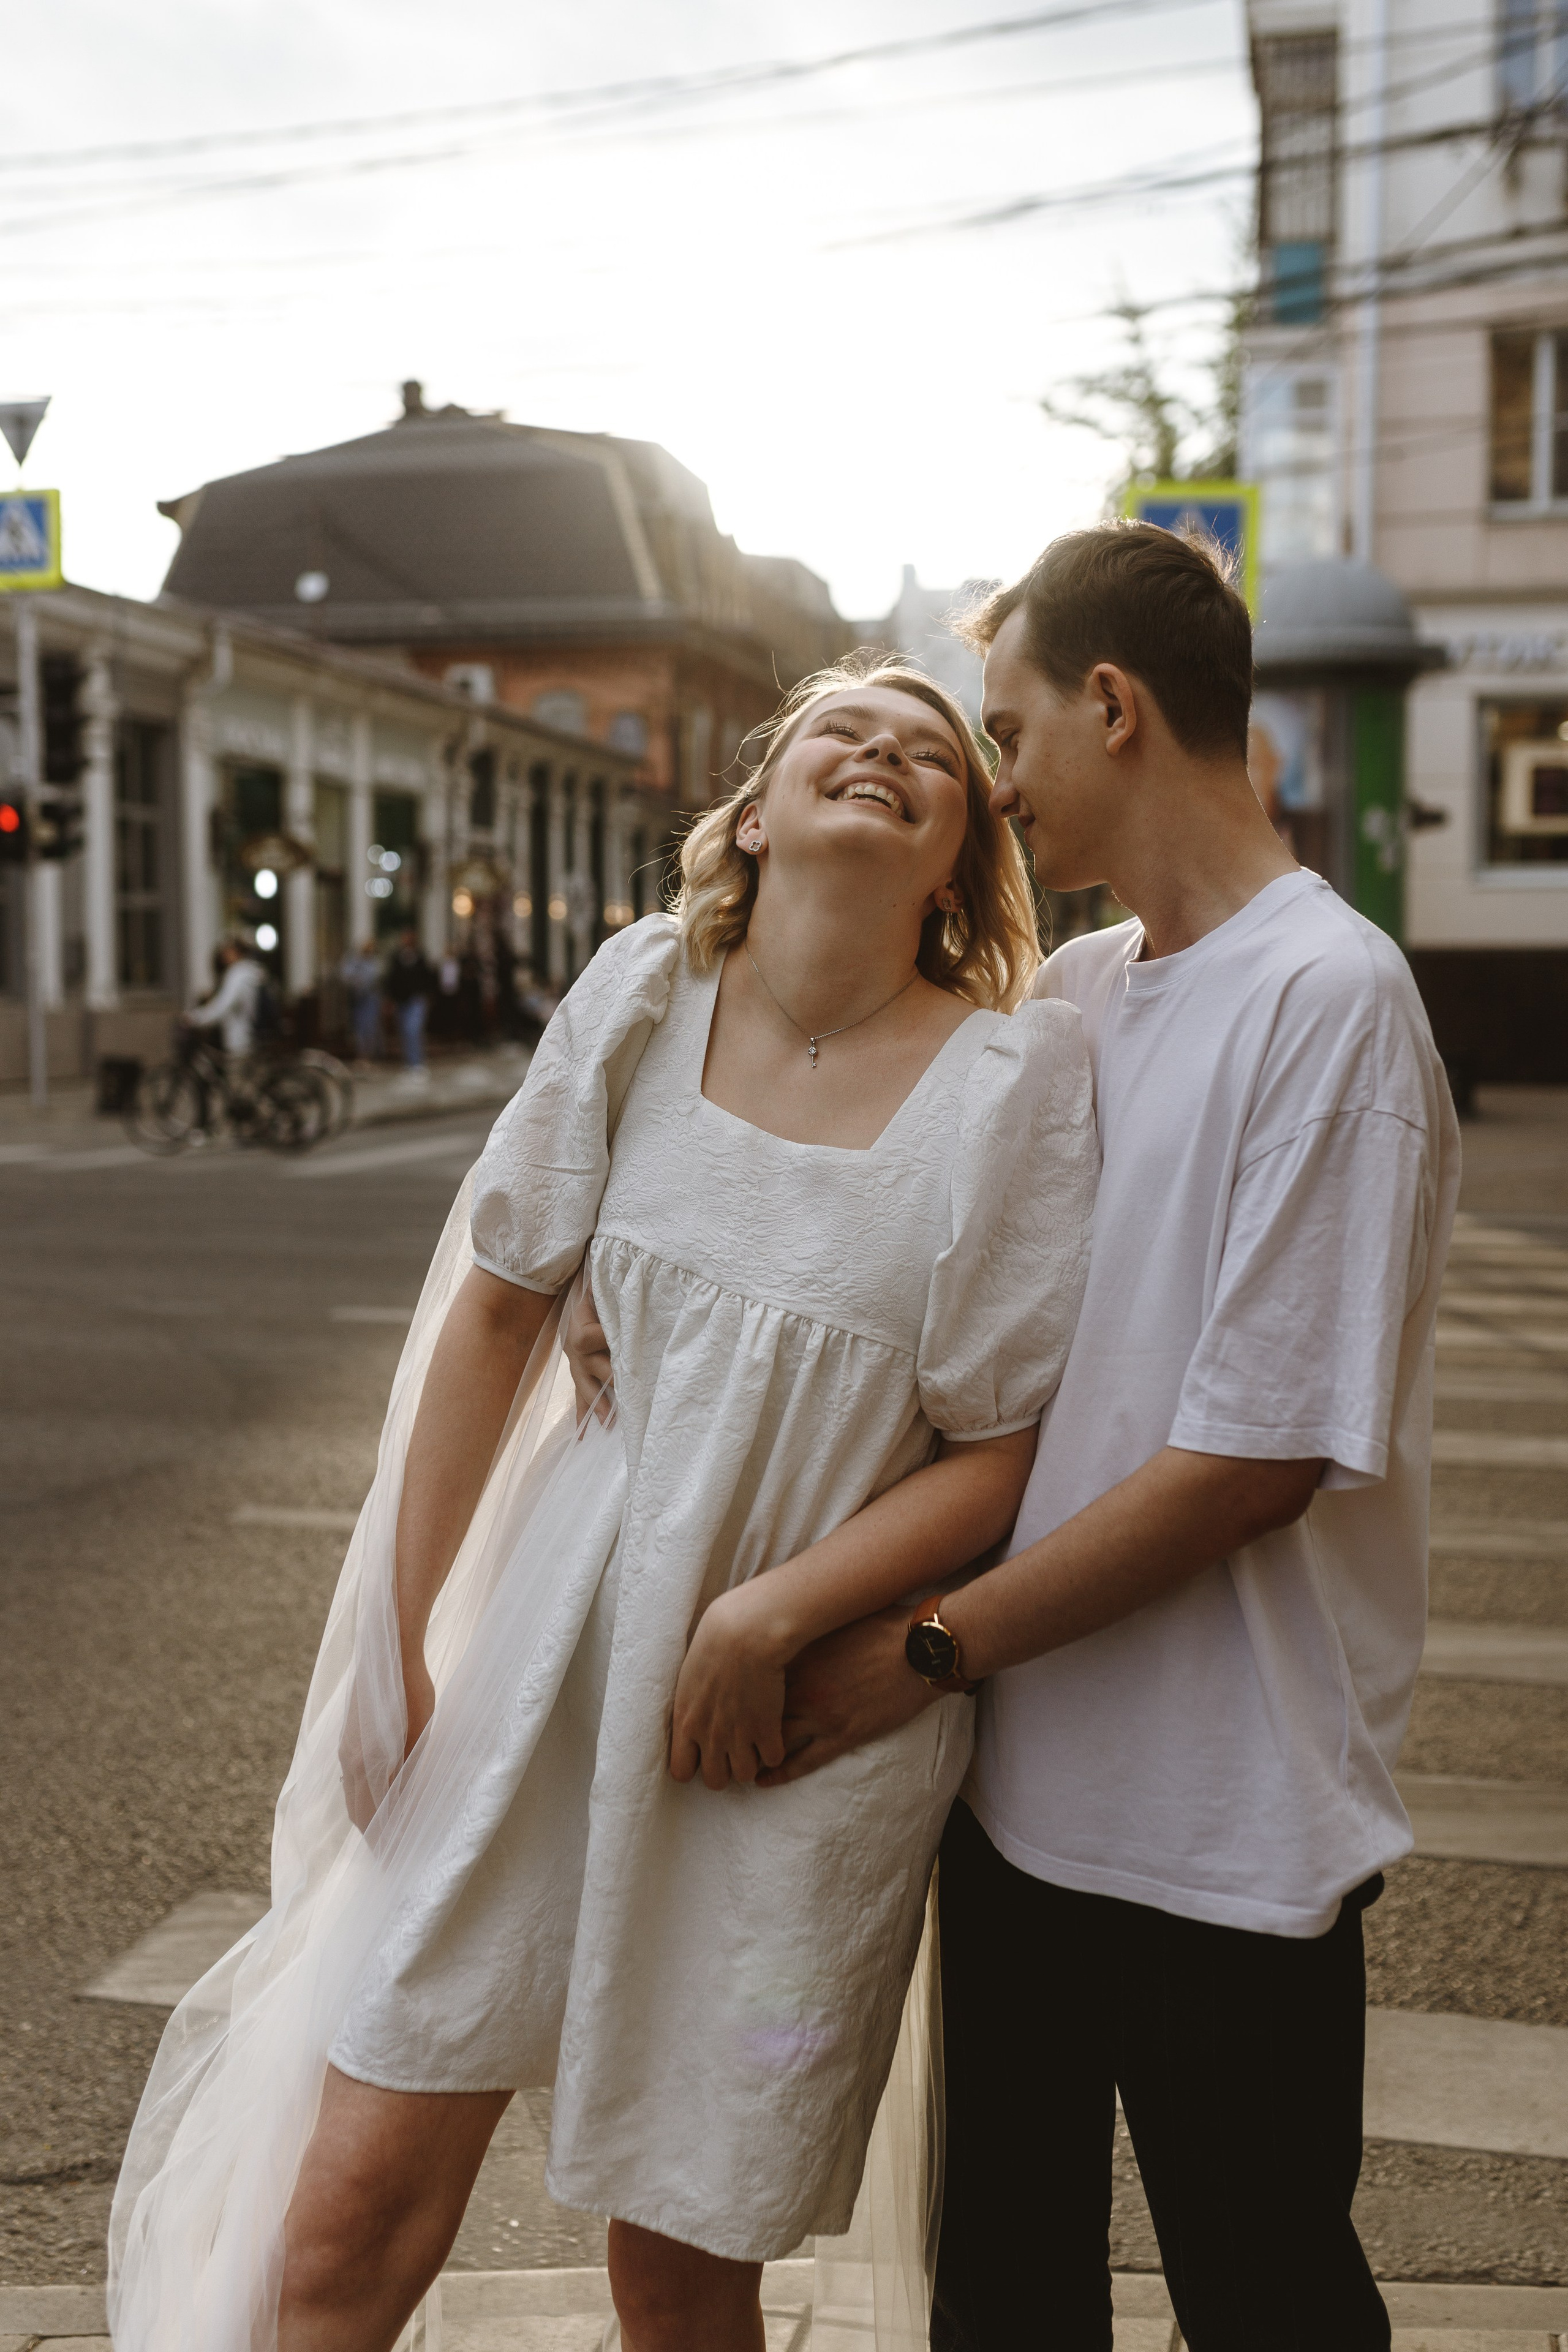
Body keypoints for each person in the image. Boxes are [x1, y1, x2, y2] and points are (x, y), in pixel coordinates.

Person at [108, 654, 1098, 2352]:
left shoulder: (1013, 1088)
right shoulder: (645, 994)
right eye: (839, 732)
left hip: (786, 1735)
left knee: (682, 2268)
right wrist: (401, 1649)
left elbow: (997, 1456)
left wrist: (766, 1615)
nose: (881, 751)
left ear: (960, 855)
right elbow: (497, 1310)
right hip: (546, 1668)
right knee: (346, 2218)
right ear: (758, 808)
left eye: (931, 750)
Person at [735, 526, 1459, 2352]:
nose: (992, 780)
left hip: (1226, 1824)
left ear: (1112, 707)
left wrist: (925, 1644)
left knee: (1266, 2295)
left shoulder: (1329, 997)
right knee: (1002, 2300)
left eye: (1009, 725)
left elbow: (1253, 1458)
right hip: (1018, 1801)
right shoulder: (1075, 993)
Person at [184, 936, 271, 1057]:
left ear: (237, 951)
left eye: (228, 950)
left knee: (236, 1073)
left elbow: (223, 1005)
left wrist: (195, 1019)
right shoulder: (248, 972)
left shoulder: (238, 974)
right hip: (246, 1039)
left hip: (240, 1041)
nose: (224, 954)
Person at [383, 927, 436, 1069]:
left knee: (414, 1029)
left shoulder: (420, 956)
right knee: (404, 1031)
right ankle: (409, 1061)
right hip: (401, 1000)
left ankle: (417, 1062)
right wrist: (390, 999)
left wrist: (427, 994)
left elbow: (428, 977)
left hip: (417, 998)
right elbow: (391, 979)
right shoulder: (396, 957)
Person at [339, 940, 383, 1064]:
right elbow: (346, 975)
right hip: (358, 1000)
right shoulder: (355, 962)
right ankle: (362, 1055)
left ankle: (371, 1056)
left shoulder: (375, 963)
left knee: (371, 1027)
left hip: (371, 999)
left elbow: (374, 978)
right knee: (360, 1029)